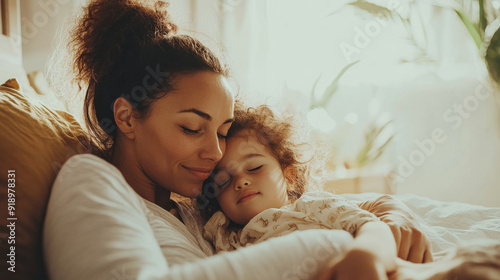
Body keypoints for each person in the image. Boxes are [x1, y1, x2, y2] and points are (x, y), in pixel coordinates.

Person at [43, 1, 432, 280]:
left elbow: (304, 208)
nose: (215, 153)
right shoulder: (88, 178)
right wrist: (337, 247)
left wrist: (387, 212)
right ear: (126, 117)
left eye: (222, 131)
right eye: (192, 129)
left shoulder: (192, 207)